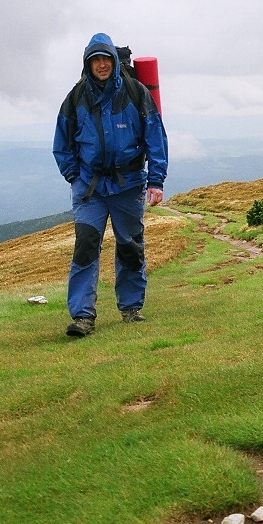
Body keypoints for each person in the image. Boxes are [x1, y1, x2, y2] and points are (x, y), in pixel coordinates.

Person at [53, 32, 169, 337]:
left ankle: (131, 308)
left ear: (115, 62)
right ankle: (83, 317)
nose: (101, 65)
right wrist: (73, 176)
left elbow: (155, 137)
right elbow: (61, 143)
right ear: (87, 65)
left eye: (106, 59)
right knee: (86, 247)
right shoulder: (76, 97)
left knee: (130, 247)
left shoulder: (135, 92)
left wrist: (156, 180)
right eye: (96, 61)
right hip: (90, 189)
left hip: (128, 187)